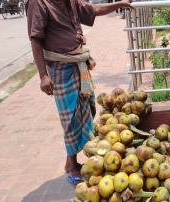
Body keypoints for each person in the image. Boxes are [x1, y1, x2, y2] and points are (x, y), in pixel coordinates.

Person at [26, 0, 132, 184]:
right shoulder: (39, 3)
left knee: (87, 110)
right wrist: (43, 76)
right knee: (70, 118)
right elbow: (35, 39)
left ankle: (75, 159)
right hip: (60, 68)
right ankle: (72, 164)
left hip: (78, 64)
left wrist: (119, 4)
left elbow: (92, 9)